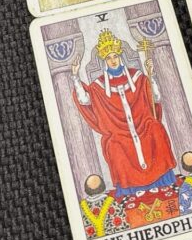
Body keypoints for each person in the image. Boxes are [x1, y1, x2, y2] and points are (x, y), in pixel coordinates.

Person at [70, 30, 177, 196]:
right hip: (119, 133)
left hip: (143, 126)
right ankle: (131, 190)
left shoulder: (137, 77)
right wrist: (75, 76)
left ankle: (163, 182)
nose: (113, 60)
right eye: (109, 58)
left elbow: (156, 98)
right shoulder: (99, 85)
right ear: (105, 61)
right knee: (113, 145)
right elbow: (84, 100)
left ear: (120, 56)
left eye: (115, 56)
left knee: (156, 129)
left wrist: (152, 75)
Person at [78, 174, 129, 238]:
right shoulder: (111, 203)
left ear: (86, 190)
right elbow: (124, 226)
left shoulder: (81, 207)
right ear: (103, 186)